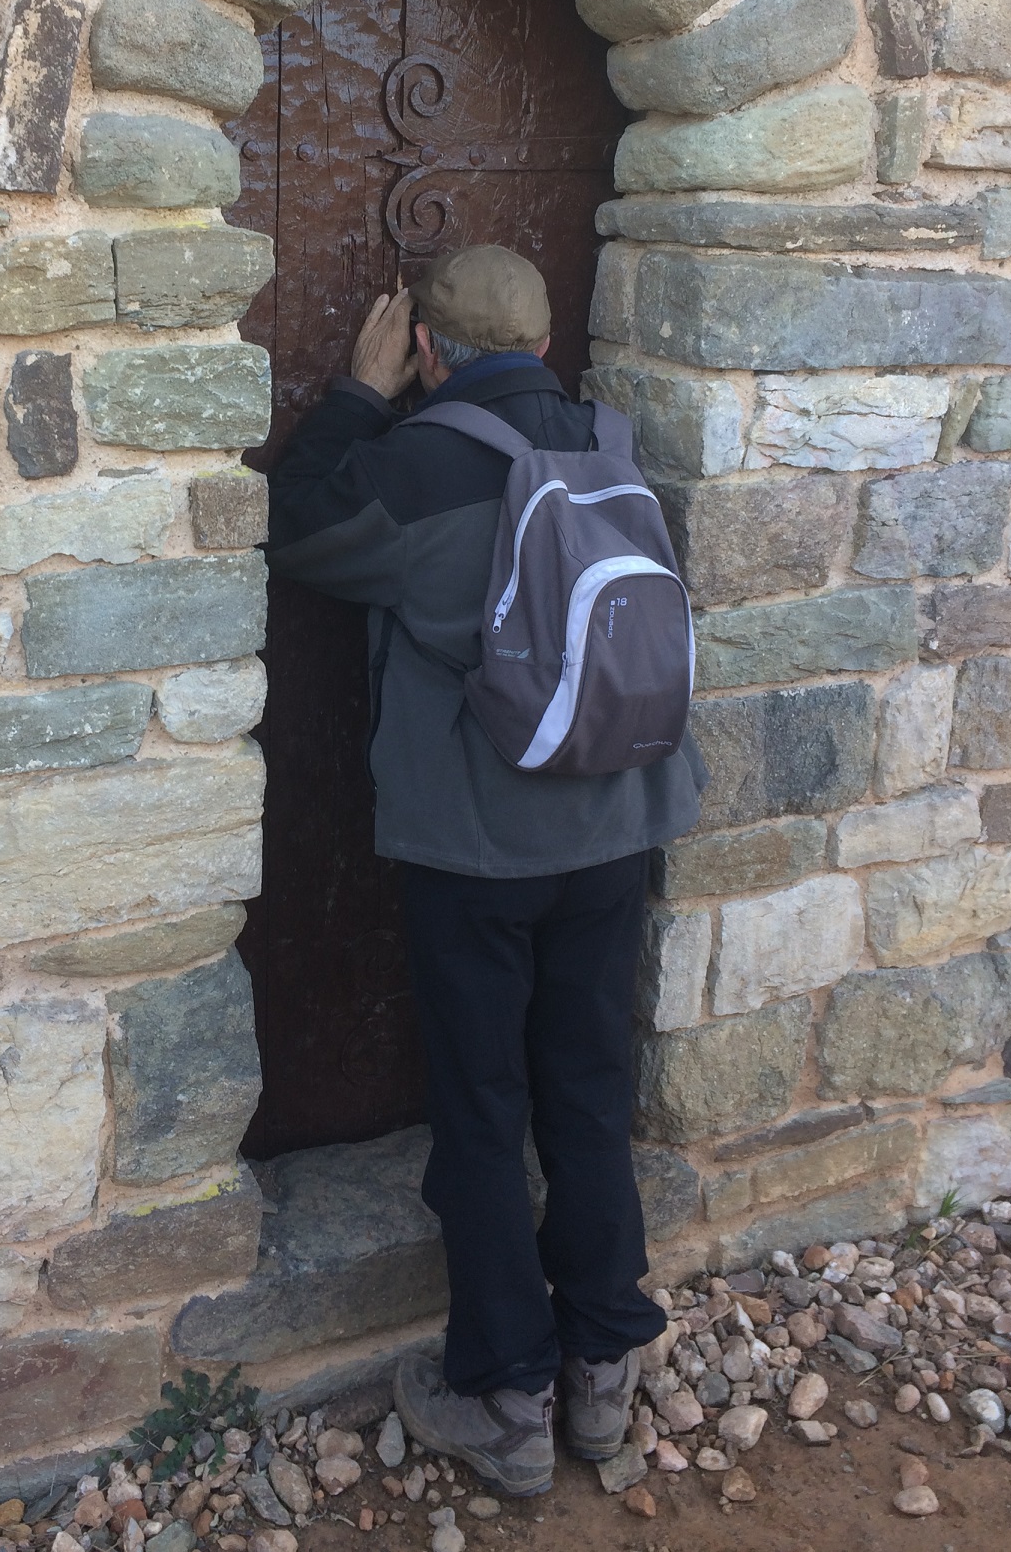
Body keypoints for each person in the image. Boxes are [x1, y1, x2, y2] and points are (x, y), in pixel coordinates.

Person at [264, 244, 706, 1497]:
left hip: (477, 847)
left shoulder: (414, 465)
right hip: (615, 826)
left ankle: (507, 1398)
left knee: (480, 1104)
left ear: (427, 349)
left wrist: (357, 397)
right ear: (545, 338)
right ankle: (602, 1370)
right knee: (587, 1089)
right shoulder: (609, 445)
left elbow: (294, 529)